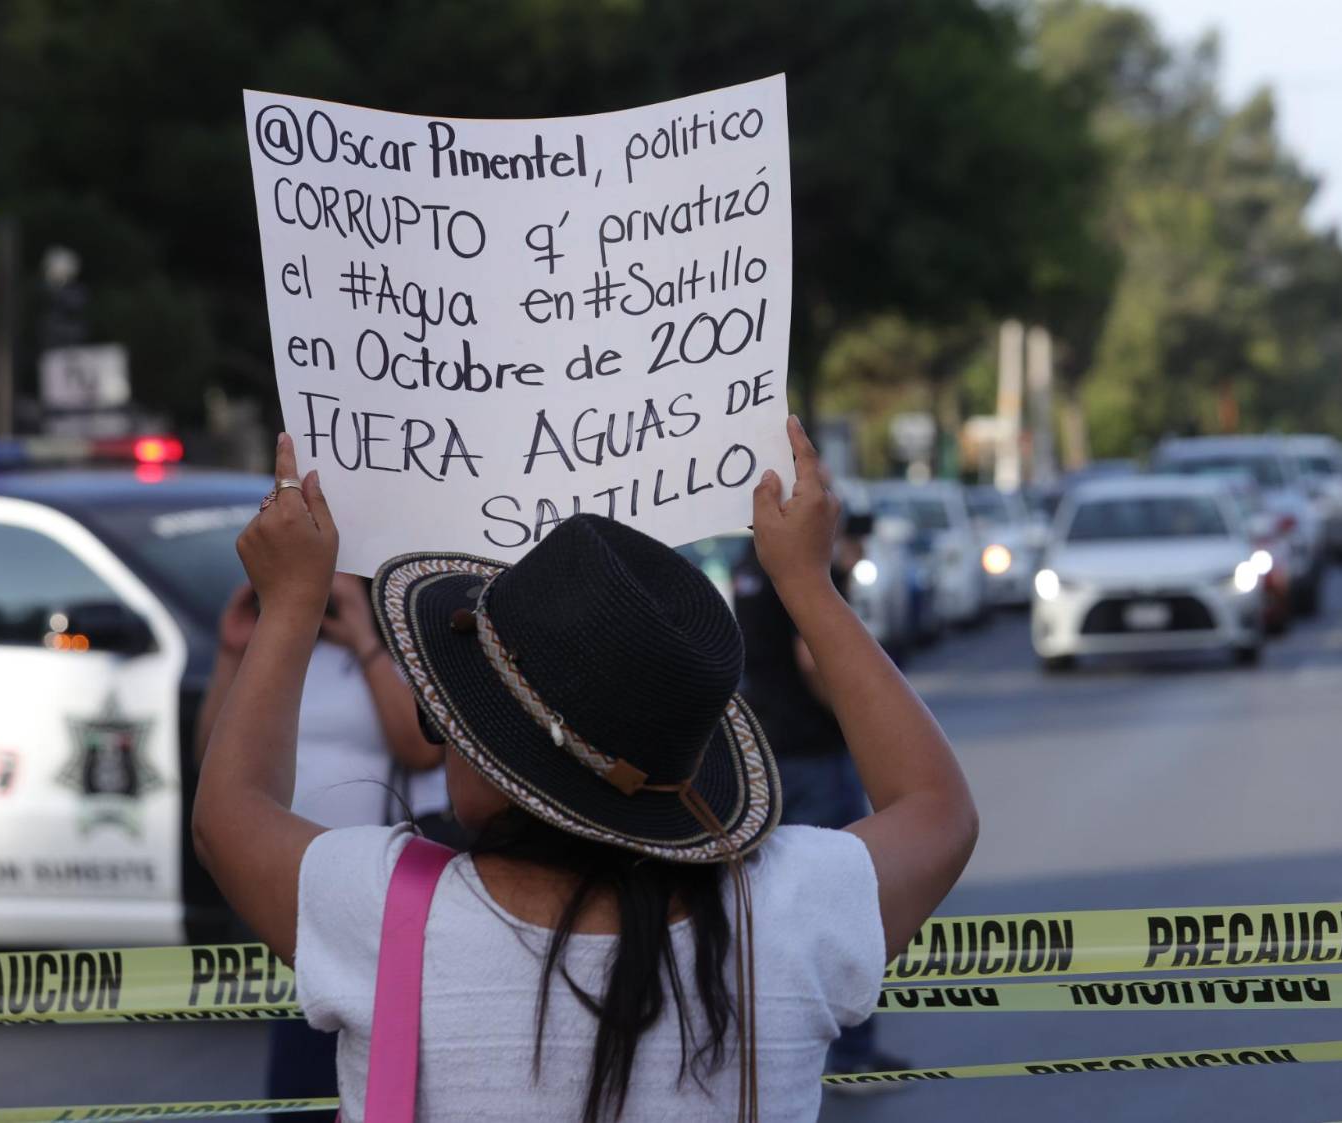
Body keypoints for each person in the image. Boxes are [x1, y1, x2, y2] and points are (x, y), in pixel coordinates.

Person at [193, 419, 977, 1122]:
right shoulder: (788, 913)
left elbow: (230, 808)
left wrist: (289, 604)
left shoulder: (382, 914)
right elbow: (937, 806)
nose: (442, 735)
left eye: (454, 720)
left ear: (503, 770)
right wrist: (810, 584)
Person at [195, 571, 448, 1119]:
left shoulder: (401, 637)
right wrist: (234, 649)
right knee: (298, 1063)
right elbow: (214, 756)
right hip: (293, 885)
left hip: (379, 893)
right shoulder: (281, 645)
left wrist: (362, 634)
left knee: (372, 1053)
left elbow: (421, 748)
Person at [731, 512, 908, 1084]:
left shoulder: (747, 568)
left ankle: (782, 1053)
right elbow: (816, 660)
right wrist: (866, 714)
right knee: (843, 903)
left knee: (776, 903)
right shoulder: (808, 573)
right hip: (814, 750)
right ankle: (852, 1056)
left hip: (768, 751)